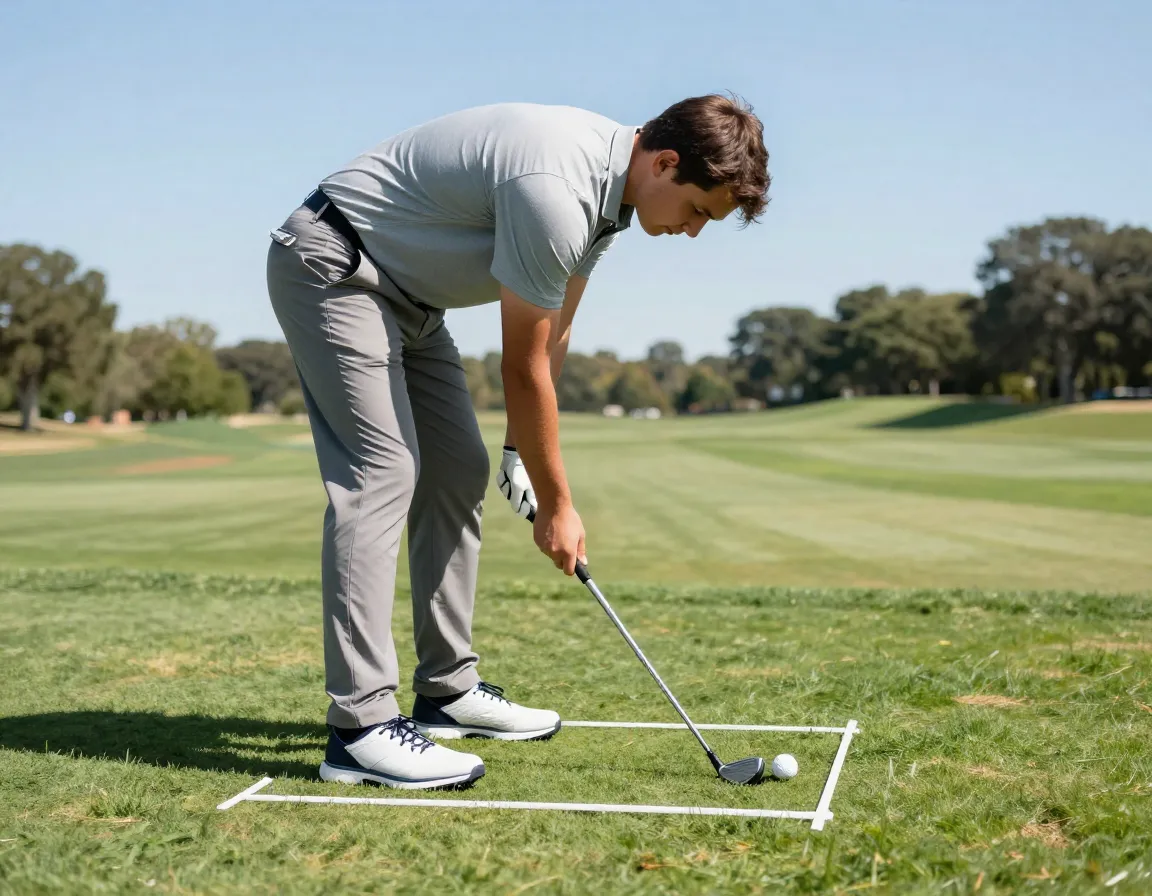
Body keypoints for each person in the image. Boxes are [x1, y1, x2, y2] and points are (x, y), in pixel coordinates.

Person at [265, 94, 771, 790]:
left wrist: (515, 454)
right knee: (382, 474)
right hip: (335, 265)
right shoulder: (558, 191)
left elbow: (554, 335)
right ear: (664, 163)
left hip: (411, 300)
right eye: (697, 211)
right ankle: (360, 728)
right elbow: (521, 365)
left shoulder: (609, 204)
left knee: (457, 467)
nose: (692, 231)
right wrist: (558, 505)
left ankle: (445, 691)